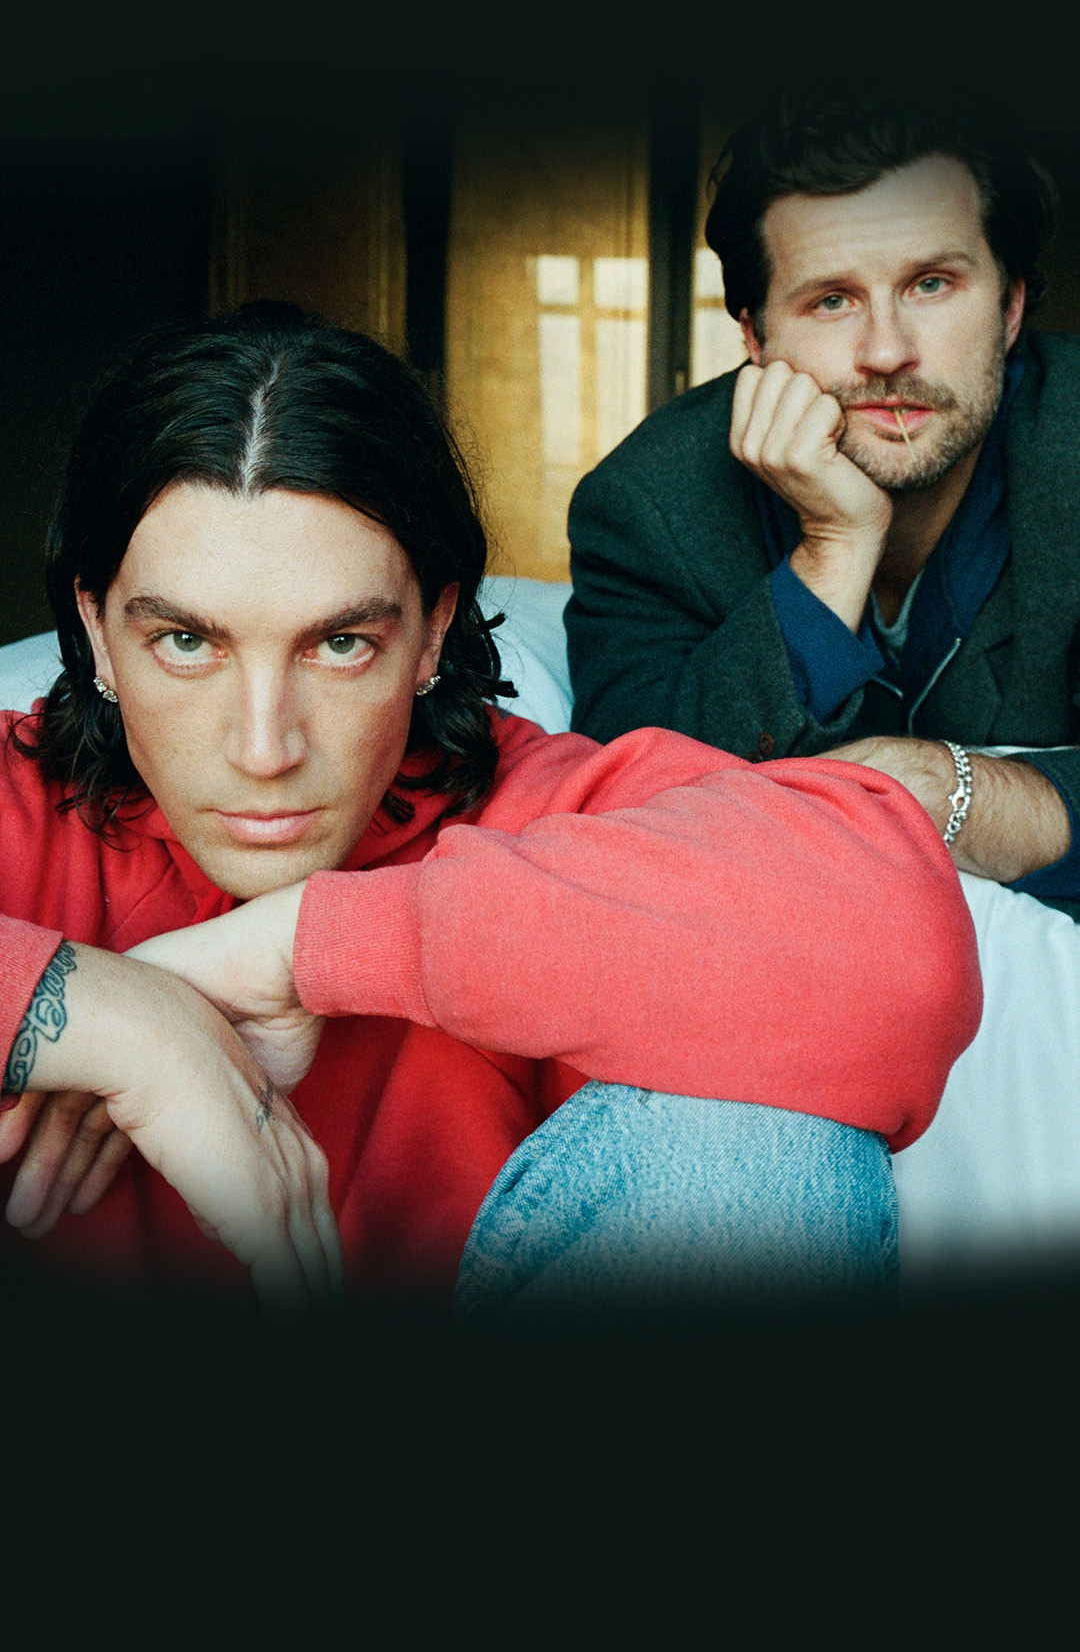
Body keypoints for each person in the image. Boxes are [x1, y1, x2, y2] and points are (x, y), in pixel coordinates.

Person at [0, 303, 979, 1323]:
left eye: (340, 645)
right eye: (187, 644)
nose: (263, 749)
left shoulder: (544, 816)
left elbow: (910, 953)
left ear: (432, 634)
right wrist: (100, 1015)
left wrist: (305, 944)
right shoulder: (20, 811)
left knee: (759, 1158)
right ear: (98, 634)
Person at [565, 83, 1080, 911]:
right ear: (755, 338)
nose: (886, 351)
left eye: (932, 285)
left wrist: (958, 794)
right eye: (832, 300)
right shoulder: (644, 508)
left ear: (1012, 305)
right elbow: (637, 832)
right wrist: (832, 548)